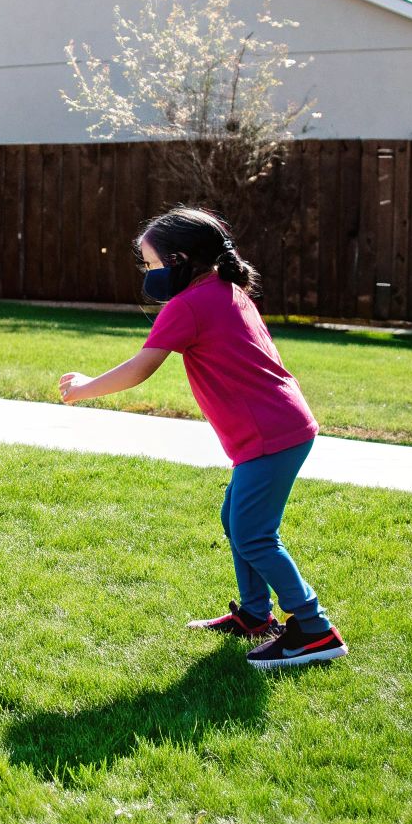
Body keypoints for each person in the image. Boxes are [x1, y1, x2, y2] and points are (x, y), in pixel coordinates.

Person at [56, 207, 348, 669]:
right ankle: (256, 616)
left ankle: (314, 629)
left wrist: (83, 389)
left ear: (180, 260)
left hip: (269, 433)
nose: (148, 275)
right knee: (237, 520)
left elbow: (140, 369)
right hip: (278, 428)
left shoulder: (188, 304)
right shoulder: (224, 288)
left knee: (254, 534)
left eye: (151, 265)